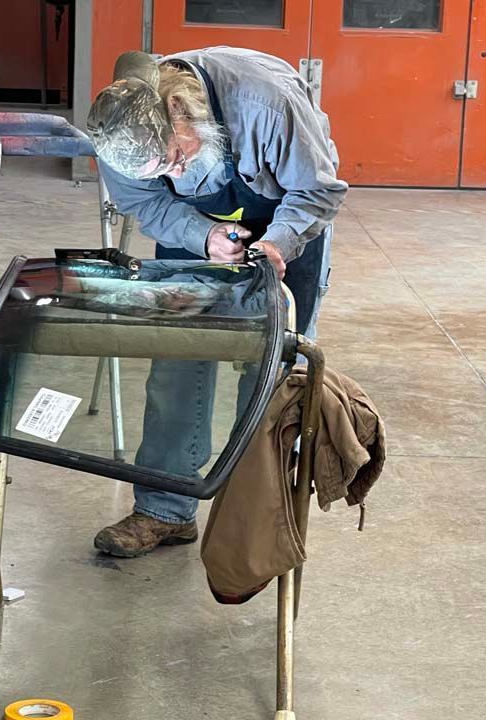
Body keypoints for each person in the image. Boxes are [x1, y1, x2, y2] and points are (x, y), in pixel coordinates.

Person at [86, 45, 348, 557]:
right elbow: (145, 202)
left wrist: (278, 244)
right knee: (177, 358)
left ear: (180, 111)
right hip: (194, 227)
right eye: (160, 171)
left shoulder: (266, 103)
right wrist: (203, 236)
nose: (174, 174)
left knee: (274, 369)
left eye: (175, 159)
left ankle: (258, 517)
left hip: (290, 216)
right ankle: (164, 510)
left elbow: (317, 190)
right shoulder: (117, 130)